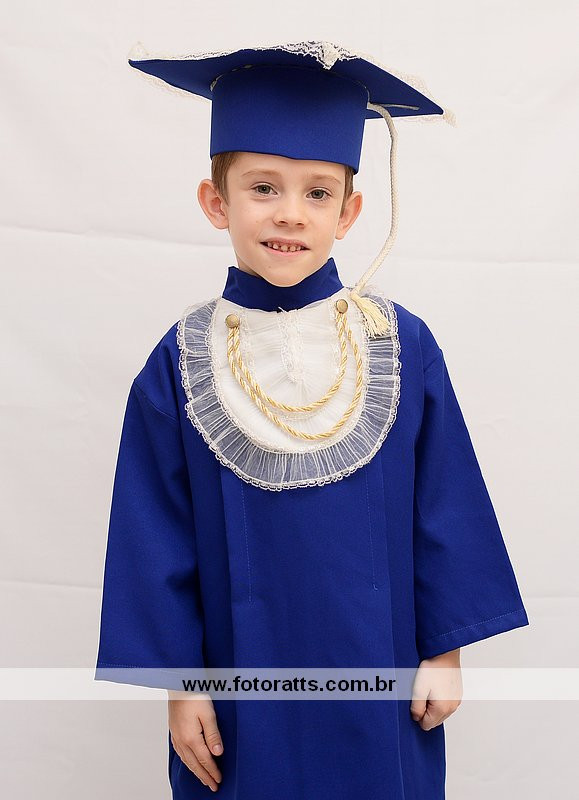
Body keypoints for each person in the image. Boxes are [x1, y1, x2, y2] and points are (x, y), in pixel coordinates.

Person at [94, 40, 529, 799]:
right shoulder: (181, 361)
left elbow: (446, 504)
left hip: (382, 665)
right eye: (263, 188)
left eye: (318, 193)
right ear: (216, 203)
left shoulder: (399, 345)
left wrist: (445, 650)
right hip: (239, 683)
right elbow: (153, 533)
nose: (290, 214)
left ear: (349, 212)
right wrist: (180, 685)